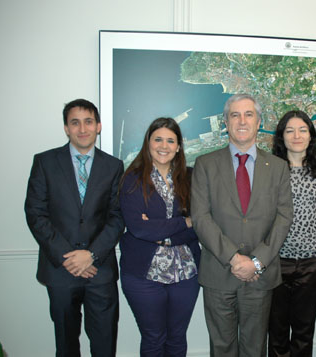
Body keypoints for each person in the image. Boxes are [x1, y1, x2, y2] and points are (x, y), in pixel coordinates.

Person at [191, 94, 293, 357]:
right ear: (226, 122)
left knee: (255, 348)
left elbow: (284, 218)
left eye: (248, 114)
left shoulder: (279, 167)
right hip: (219, 273)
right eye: (234, 115)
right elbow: (201, 218)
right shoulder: (205, 164)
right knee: (222, 348)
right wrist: (235, 259)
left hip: (260, 276)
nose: (242, 120)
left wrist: (256, 262)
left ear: (259, 122)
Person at [25, 99, 124, 357]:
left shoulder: (113, 166)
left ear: (98, 126)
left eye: (88, 121)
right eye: (75, 122)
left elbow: (117, 217)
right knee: (66, 345)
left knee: (105, 344)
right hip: (60, 270)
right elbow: (35, 214)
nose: (82, 128)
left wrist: (91, 255)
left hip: (99, 271)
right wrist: (68, 258)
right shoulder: (45, 162)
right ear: (66, 128)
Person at [118, 117, 201, 357]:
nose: (163, 146)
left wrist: (163, 232)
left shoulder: (192, 177)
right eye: (158, 139)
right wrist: (184, 220)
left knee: (177, 338)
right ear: (148, 143)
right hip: (143, 275)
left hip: (186, 273)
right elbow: (139, 229)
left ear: (178, 146)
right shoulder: (132, 179)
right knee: (154, 339)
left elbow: (202, 223)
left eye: (170, 140)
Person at [268, 110, 316, 356]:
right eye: (290, 130)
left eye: (302, 130)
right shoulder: (271, 171)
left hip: (312, 263)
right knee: (276, 331)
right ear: (281, 137)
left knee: (304, 331)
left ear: (310, 135)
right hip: (276, 262)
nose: (296, 135)